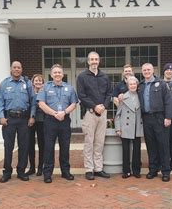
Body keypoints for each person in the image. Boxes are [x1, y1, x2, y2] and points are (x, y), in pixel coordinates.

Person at [37, 64, 78, 183]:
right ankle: (47, 173)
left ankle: (65, 172)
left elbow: (74, 104)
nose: (57, 74)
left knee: (65, 147)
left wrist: (64, 112)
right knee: (48, 148)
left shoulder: (69, 88)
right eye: (55, 72)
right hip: (50, 121)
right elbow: (41, 104)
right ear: (51, 74)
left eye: (59, 72)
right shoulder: (45, 87)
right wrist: (55, 113)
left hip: (64, 121)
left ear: (63, 74)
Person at [0, 61, 36, 183]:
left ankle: (21, 171)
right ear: (11, 69)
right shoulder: (4, 84)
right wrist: (1, 117)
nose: (17, 69)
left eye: (19, 67)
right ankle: (7, 172)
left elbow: (33, 101)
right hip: (9, 119)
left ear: (21, 69)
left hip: (24, 118)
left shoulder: (27, 83)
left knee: (24, 146)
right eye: (14, 67)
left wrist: (32, 116)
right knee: (8, 146)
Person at [76, 51, 113, 180]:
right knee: (89, 142)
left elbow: (109, 93)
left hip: (102, 113)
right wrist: (94, 106)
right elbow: (81, 95)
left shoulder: (104, 77)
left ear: (99, 61)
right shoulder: (82, 77)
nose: (94, 62)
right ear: (88, 62)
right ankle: (89, 169)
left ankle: (98, 168)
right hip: (90, 114)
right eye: (92, 59)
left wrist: (104, 105)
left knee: (99, 142)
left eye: (96, 59)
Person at [138, 63, 172, 182]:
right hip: (146, 118)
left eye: (148, 70)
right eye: (144, 70)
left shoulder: (162, 84)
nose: (146, 72)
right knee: (151, 145)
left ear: (153, 71)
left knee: (163, 145)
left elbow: (169, 101)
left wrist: (168, 117)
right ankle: (153, 169)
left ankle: (165, 171)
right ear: (142, 72)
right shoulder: (141, 85)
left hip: (160, 117)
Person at [115, 76, 143, 178]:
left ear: (137, 85)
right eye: (130, 84)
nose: (133, 86)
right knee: (125, 150)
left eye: (134, 84)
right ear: (128, 85)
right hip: (126, 127)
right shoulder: (123, 98)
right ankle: (126, 171)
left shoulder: (141, 96)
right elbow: (118, 115)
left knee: (137, 150)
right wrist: (118, 128)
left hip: (137, 127)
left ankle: (136, 171)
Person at [27, 74, 45, 176]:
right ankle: (32, 167)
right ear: (33, 82)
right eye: (36, 80)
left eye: (40, 81)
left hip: (42, 121)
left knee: (42, 145)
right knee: (30, 144)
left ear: (43, 82)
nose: (38, 82)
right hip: (30, 121)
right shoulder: (29, 93)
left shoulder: (45, 92)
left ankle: (40, 167)